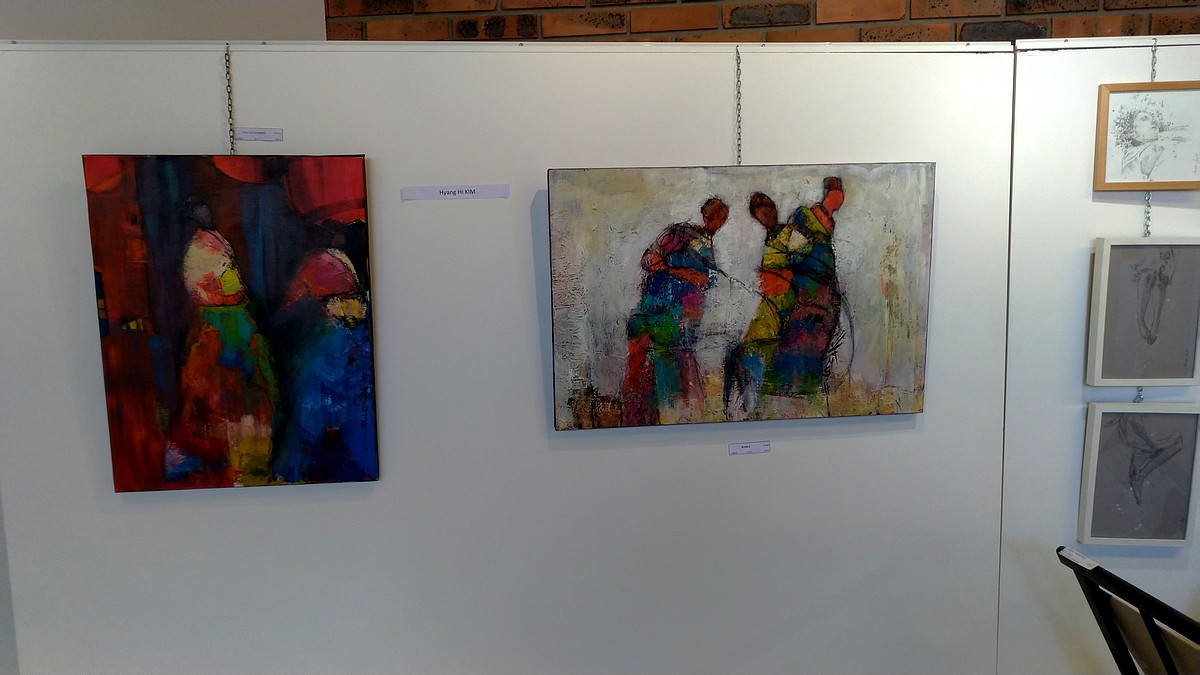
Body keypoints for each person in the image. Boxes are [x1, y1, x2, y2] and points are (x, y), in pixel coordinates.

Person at [166, 197, 278, 487]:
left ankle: (242, 445)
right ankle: (215, 450)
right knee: (214, 387)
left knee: (242, 385)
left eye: (207, 210)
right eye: (200, 212)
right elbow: (212, 287)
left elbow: (230, 282)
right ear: (194, 218)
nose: (207, 214)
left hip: (233, 319)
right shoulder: (199, 248)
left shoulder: (215, 240)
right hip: (218, 323)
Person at [728, 178, 844, 415]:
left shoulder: (795, 228)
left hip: (802, 304)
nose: (766, 218)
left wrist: (780, 276)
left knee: (779, 355)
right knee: (751, 349)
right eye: (761, 216)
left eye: (767, 212)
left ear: (773, 209)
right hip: (779, 307)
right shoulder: (773, 239)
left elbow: (797, 266)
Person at [621, 197, 729, 426]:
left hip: (678, 322)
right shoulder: (679, 233)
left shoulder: (706, 247)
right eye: (713, 219)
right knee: (639, 369)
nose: (715, 225)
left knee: (672, 373)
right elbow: (648, 259)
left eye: (720, 221)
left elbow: (704, 279)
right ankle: (634, 420)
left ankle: (668, 418)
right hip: (654, 312)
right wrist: (661, 265)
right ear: (705, 216)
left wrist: (670, 269)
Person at [273, 248, 378, 483]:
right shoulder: (325, 347)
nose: (329, 310)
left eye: (352, 299)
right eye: (327, 304)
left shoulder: (339, 343)